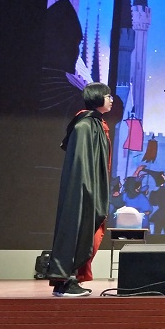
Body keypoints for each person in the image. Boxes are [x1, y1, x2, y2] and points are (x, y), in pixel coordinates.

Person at [47, 82, 113, 297]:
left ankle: (70, 279)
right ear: (97, 97)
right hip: (82, 188)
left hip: (90, 186)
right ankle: (64, 282)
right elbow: (80, 163)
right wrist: (87, 189)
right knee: (75, 228)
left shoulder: (96, 124)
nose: (111, 100)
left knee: (84, 230)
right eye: (108, 96)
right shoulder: (84, 126)